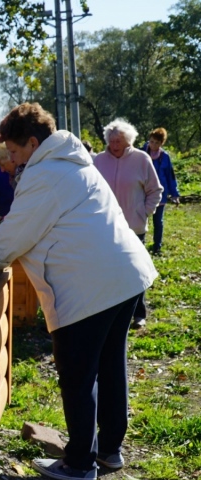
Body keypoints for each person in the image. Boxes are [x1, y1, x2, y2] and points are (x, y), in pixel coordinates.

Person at [0, 103, 157, 480]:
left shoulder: (45, 173)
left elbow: (18, 232)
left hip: (89, 285)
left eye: (13, 151)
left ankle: (79, 463)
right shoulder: (74, 162)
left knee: (77, 373)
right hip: (123, 276)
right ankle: (109, 449)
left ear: (31, 142)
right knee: (110, 366)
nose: (10, 158)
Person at [94, 118, 163, 329]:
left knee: (135, 271)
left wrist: (144, 212)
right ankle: (110, 313)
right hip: (104, 227)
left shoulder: (141, 159)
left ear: (129, 140)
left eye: (119, 141)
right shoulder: (97, 161)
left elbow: (155, 190)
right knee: (107, 270)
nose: (115, 145)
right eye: (112, 140)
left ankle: (138, 313)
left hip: (134, 226)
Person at [142, 127, 180, 255]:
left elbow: (170, 176)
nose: (153, 145)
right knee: (141, 219)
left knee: (158, 221)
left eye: (157, 143)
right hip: (143, 192)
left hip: (160, 194)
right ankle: (140, 245)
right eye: (151, 141)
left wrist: (174, 194)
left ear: (161, 143)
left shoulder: (165, 157)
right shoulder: (141, 153)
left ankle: (157, 246)